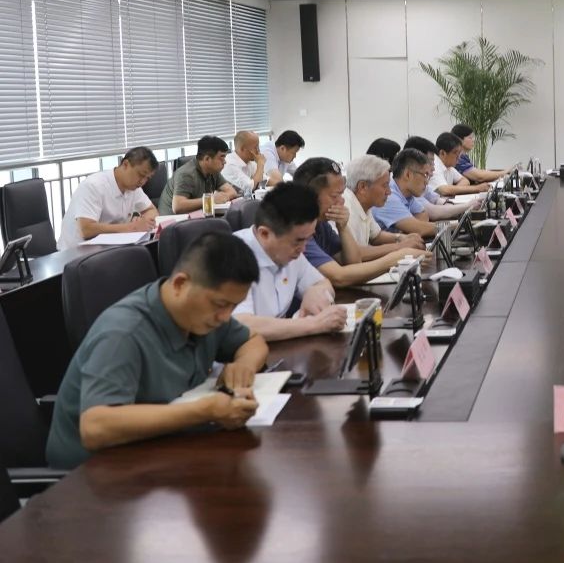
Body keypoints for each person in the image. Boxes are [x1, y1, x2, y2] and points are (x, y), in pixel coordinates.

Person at [46, 232, 267, 469]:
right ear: (180, 284)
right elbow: (95, 427)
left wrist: (243, 365)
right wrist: (205, 411)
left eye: (233, 306)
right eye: (221, 304)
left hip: (158, 454)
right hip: (93, 473)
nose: (225, 317)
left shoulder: (202, 315)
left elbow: (253, 342)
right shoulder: (123, 334)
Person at [232, 182, 347, 341]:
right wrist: (314, 324)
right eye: (298, 241)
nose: (303, 249)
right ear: (265, 234)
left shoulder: (292, 251)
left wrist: (315, 292)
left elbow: (322, 283)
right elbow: (241, 325)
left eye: (308, 239)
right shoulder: (233, 255)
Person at [291, 157, 428, 287]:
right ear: (309, 198)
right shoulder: (297, 230)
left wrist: (343, 227)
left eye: (341, 194)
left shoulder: (321, 224)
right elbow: (339, 276)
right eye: (335, 196)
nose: (341, 201)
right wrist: (397, 256)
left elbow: (353, 262)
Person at [58, 146, 159, 250]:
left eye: (147, 178)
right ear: (125, 164)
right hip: (76, 252)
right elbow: (86, 229)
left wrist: (144, 222)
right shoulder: (94, 186)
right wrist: (132, 227)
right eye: (141, 175)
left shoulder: (133, 188)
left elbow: (152, 210)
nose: (142, 182)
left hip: (109, 249)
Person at [343, 154, 426, 258]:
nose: (389, 192)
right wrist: (400, 247)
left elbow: (376, 236)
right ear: (363, 187)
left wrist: (401, 238)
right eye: (385, 185)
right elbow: (354, 253)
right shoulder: (346, 208)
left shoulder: (364, 204)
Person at [372, 148, 444, 239]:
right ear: (408, 175)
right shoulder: (388, 196)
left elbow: (423, 214)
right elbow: (421, 229)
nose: (427, 182)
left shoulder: (407, 194)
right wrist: (455, 226)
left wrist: (414, 228)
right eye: (425, 175)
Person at [158, 135, 238, 215]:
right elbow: (177, 207)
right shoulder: (186, 174)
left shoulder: (212, 171)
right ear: (207, 159)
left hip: (197, 216)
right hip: (173, 219)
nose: (224, 162)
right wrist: (211, 200)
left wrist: (221, 197)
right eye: (221, 157)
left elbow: (232, 192)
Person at [402, 137, 476, 221]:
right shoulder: (399, 191)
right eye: (430, 162)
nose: (433, 168)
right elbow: (433, 213)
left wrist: (453, 207)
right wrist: (468, 205)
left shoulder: (418, 182)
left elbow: (437, 201)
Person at [431, 132, 491, 197]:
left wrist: (453, 190)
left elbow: (465, 180)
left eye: (459, 153)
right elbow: (444, 190)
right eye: (455, 153)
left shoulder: (448, 165)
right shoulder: (433, 165)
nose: (459, 157)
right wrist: (477, 188)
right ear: (442, 153)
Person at [222, 131, 265, 196]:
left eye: (258, 147)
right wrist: (260, 165)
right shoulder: (230, 164)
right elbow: (250, 188)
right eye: (255, 147)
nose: (258, 151)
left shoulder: (250, 162)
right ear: (242, 149)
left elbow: (263, 182)